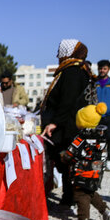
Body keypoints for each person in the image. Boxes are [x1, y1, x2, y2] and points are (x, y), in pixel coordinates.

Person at [40, 39, 95, 208]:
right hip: (69, 125)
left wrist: (54, 122)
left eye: (61, 51)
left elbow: (67, 100)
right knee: (67, 162)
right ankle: (69, 197)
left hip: (67, 127)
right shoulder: (77, 69)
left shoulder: (72, 71)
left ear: (68, 52)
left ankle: (75, 200)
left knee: (68, 160)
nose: (58, 55)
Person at [61, 103, 110, 220]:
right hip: (96, 170)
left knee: (80, 193)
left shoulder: (81, 137)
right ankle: (106, 211)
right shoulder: (101, 136)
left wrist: (64, 157)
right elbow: (104, 154)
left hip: (81, 170)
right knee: (90, 191)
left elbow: (70, 152)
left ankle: (83, 219)